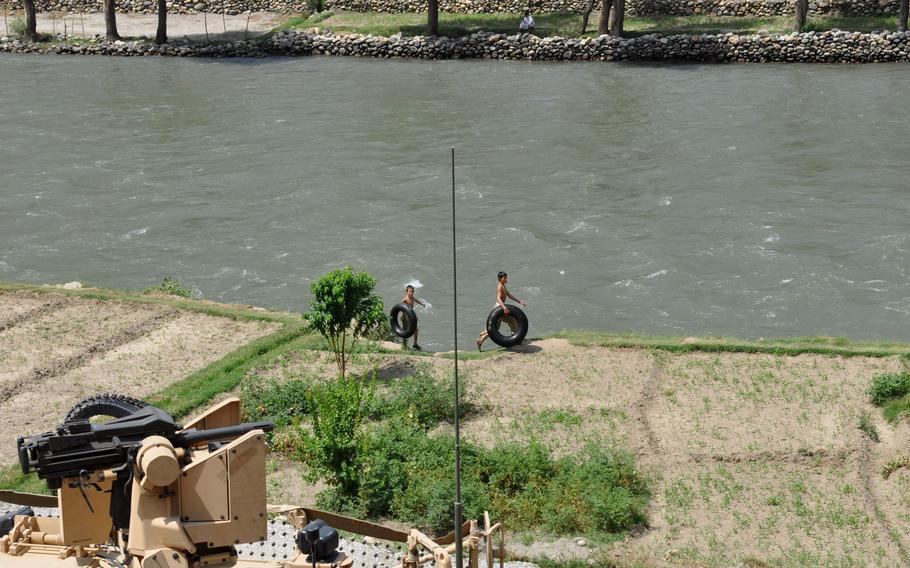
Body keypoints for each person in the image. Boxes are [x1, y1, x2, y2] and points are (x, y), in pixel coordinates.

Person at [477, 271, 527, 351]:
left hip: (499, 307)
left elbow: (509, 295)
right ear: (500, 279)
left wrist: (519, 301)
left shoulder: (503, 286)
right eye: (504, 278)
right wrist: (504, 308)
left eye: (506, 277)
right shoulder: (500, 286)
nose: (506, 279)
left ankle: (481, 338)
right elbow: (498, 298)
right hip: (499, 307)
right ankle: (515, 339)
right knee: (513, 321)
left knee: (495, 328)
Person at [401, 284, 426, 351]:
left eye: (412, 291)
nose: (411, 293)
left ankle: (415, 344)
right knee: (405, 331)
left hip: (411, 315)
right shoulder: (405, 300)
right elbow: (401, 308)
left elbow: (416, 300)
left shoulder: (412, 298)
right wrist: (403, 317)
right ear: (406, 292)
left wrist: (422, 304)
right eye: (410, 291)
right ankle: (404, 346)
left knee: (416, 330)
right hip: (406, 317)